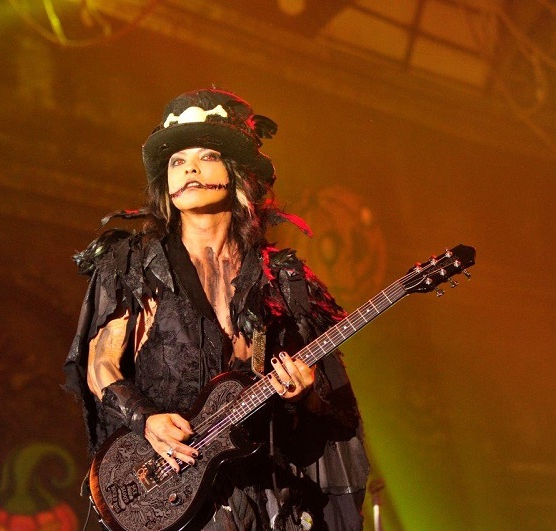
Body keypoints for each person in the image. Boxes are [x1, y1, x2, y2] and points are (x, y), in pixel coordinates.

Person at [64, 88, 370, 530]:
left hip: (260, 498)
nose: (189, 168)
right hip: (166, 490)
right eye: (176, 161)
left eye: (207, 156)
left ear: (237, 175)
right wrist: (145, 419)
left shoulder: (282, 280)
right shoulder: (134, 263)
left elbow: (330, 408)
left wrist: (305, 395)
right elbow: (100, 364)